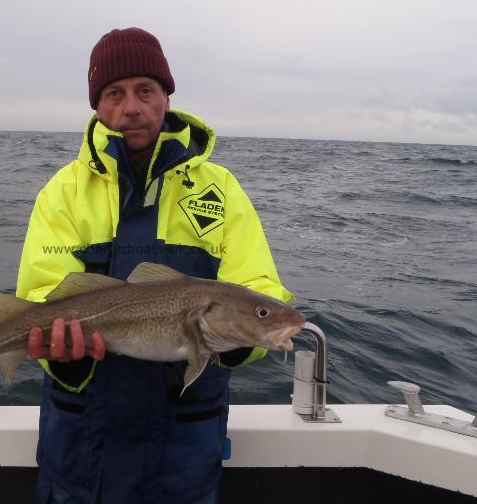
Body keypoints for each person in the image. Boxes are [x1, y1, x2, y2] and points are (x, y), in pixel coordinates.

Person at [16, 27, 294, 504]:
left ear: (167, 97)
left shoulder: (220, 189)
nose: (131, 107)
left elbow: (258, 286)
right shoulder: (63, 191)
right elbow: (42, 291)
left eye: (145, 90)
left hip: (183, 445)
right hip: (83, 440)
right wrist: (59, 347)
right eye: (113, 93)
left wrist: (233, 343)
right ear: (98, 107)